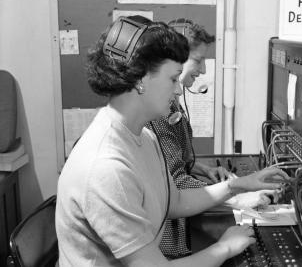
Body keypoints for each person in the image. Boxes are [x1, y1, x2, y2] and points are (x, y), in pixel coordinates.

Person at [56, 15, 290, 267]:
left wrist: (239, 185)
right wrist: (223, 248)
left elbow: (175, 200)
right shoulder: (106, 168)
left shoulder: (142, 137)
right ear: (140, 79)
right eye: (172, 79)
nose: (178, 90)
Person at [147, 18, 276, 259]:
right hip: (164, 240)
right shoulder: (159, 109)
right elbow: (174, 183)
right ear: (174, 59)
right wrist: (238, 197)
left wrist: (200, 167)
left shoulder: (170, 100)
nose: (203, 70)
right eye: (198, 60)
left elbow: (168, 158)